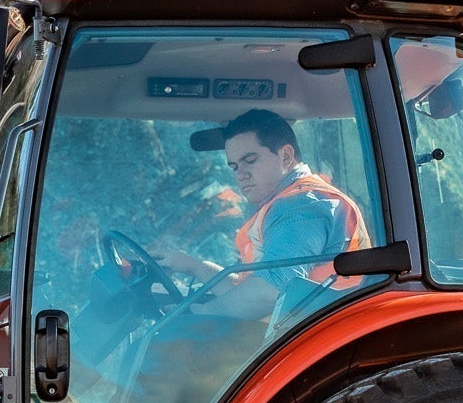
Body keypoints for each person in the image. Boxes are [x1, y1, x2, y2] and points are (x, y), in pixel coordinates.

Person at [156, 108, 369, 323]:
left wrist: (193, 315)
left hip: (325, 334)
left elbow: (268, 293)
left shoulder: (303, 206)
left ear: (285, 156)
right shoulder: (290, 200)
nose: (240, 175)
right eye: (234, 166)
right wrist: (194, 266)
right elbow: (249, 293)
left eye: (250, 160)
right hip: (314, 329)